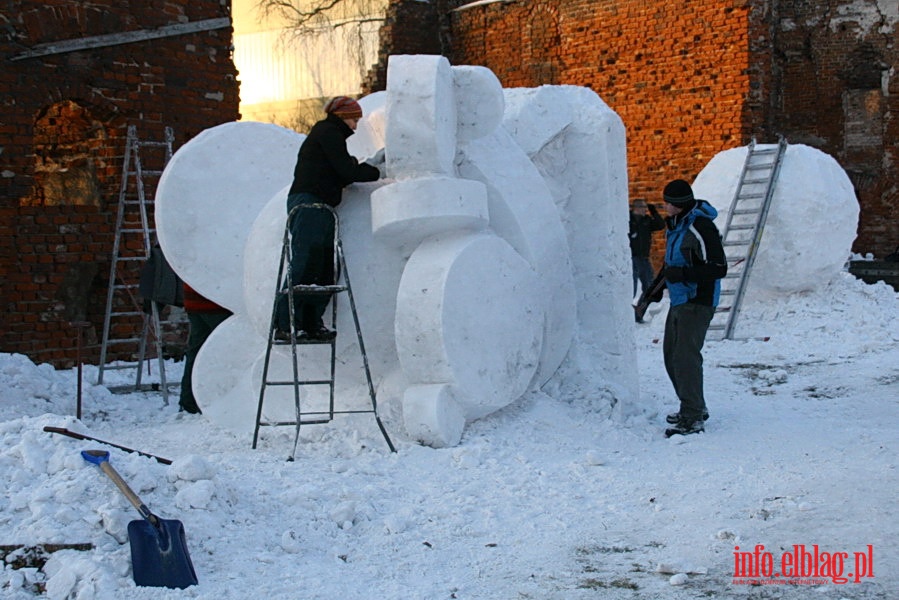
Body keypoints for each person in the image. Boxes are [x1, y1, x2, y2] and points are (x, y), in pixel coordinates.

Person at [274, 96, 383, 342]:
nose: (355, 126)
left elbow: (339, 171)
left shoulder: (329, 135)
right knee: (306, 263)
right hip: (309, 204)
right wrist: (377, 171)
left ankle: (311, 323)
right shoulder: (328, 132)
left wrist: (367, 166)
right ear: (343, 116)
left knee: (325, 269)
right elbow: (346, 171)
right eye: (354, 119)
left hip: (320, 206)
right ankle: (286, 323)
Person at [653, 179, 727, 437]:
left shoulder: (700, 226)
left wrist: (681, 274)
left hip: (697, 301)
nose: (664, 206)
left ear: (677, 204)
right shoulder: (676, 226)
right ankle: (694, 405)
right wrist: (655, 289)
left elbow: (719, 267)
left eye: (667, 202)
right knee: (671, 355)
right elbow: (671, 265)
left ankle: (692, 416)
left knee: (685, 358)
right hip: (679, 300)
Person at [179, 284, 232, 414]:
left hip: (194, 300)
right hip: (216, 303)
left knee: (196, 353)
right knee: (225, 354)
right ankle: (221, 400)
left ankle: (189, 401)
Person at [628, 198, 665, 322]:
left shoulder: (647, 221)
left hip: (644, 258)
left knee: (649, 286)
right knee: (630, 288)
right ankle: (625, 314)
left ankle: (639, 313)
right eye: (643, 207)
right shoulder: (629, 220)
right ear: (636, 208)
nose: (645, 210)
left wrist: (653, 211)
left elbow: (660, 225)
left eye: (645, 208)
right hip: (631, 257)